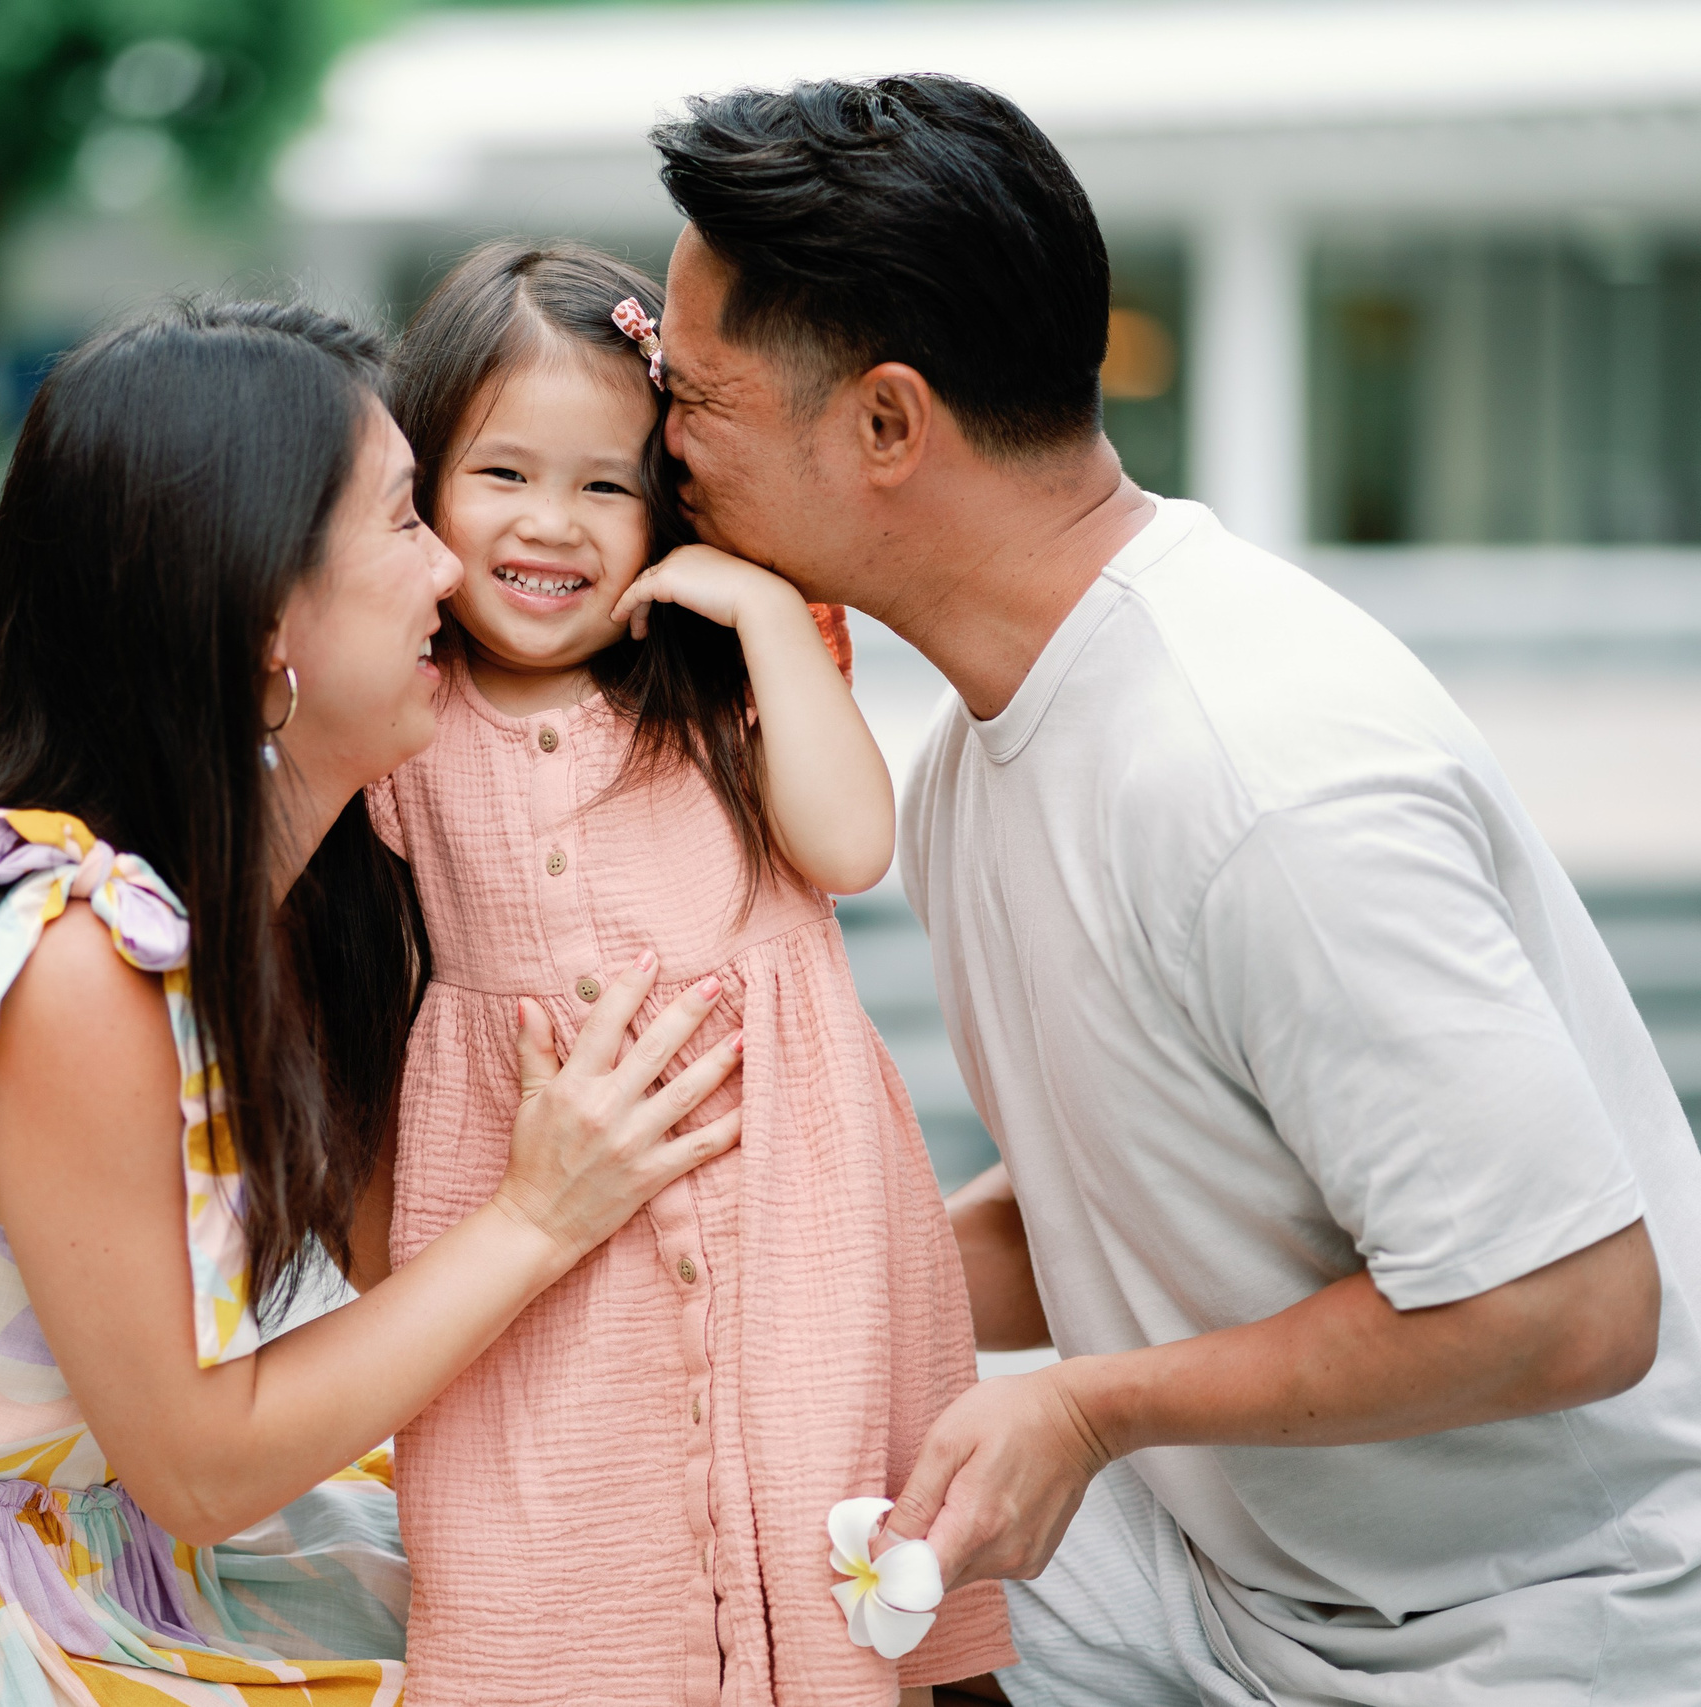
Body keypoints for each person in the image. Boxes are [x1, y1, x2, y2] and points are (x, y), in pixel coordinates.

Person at [648, 75, 1701, 1706]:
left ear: (885, 425)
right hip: (1225, 1574)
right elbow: (1123, 1183)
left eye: (692, 401)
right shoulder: (977, 756)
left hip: (1529, 1630)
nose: (658, 453)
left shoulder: (1259, 774)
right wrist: (773, 1276)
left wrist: (1086, 1407)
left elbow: (1569, 1309)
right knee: (683, 1565)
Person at [0, 300, 749, 1705]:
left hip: (71, 1506)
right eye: (402, 519)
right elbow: (198, 1463)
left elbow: (391, 1268)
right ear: (259, 622)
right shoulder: (76, 969)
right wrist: (540, 1214)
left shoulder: (317, 877)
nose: (453, 567)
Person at [369, 238, 1010, 1707]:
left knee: (827, 1576)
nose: (555, 525)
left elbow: (851, 849)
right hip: (544, 1257)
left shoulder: (721, 690)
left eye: (607, 483)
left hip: (794, 1227)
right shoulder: (405, 714)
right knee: (560, 1599)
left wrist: (772, 617)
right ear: (418, 493)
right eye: (502, 475)